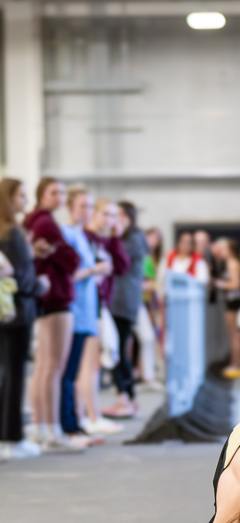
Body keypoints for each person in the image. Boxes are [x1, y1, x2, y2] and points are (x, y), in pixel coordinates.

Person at [24, 177, 81, 452]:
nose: (59, 197)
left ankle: (41, 425)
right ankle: (52, 430)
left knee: (43, 368)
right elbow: (72, 259)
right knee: (53, 369)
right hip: (56, 298)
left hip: (47, 299)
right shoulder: (44, 222)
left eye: (61, 192)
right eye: (53, 192)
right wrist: (63, 251)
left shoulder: (33, 222)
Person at [0, 178, 48, 460]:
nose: (25, 202)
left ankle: (7, 435)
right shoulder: (12, 233)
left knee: (6, 372)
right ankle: (12, 437)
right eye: (21, 196)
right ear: (9, 199)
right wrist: (42, 284)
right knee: (15, 374)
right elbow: (24, 279)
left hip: (6, 311)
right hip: (18, 312)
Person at [60, 187, 112, 443]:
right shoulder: (66, 233)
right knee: (68, 372)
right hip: (73, 311)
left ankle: (76, 422)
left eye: (90, 206)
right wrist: (95, 268)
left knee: (78, 369)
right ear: (70, 206)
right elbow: (70, 275)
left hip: (86, 311)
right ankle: (69, 426)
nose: (87, 211)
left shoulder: (80, 234)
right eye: (82, 206)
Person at [78, 198, 130, 435]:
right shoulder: (84, 237)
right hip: (88, 306)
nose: (109, 220)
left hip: (101, 306)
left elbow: (121, 266)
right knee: (88, 365)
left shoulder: (105, 240)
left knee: (95, 363)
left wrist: (117, 238)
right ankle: (90, 415)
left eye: (113, 216)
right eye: (105, 214)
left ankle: (90, 414)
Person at [103, 202, 147, 419]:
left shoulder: (133, 239)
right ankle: (128, 397)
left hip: (122, 302)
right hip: (123, 301)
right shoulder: (133, 238)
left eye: (118, 215)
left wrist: (113, 237)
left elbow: (117, 261)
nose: (114, 219)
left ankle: (124, 398)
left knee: (116, 350)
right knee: (120, 349)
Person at [215, 238, 240, 380]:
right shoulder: (232, 262)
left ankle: (236, 364)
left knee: (233, 334)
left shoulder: (232, 263)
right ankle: (236, 362)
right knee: (234, 334)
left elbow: (236, 284)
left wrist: (219, 284)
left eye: (224, 249)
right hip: (233, 300)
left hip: (232, 301)